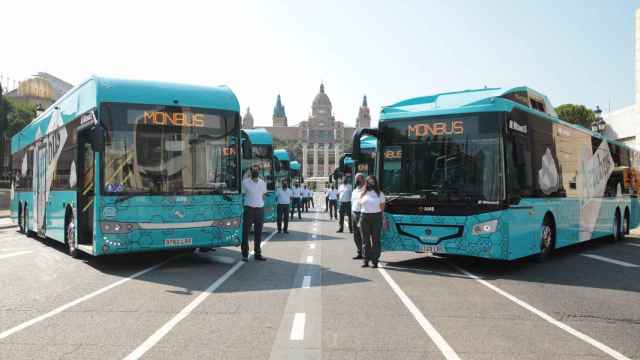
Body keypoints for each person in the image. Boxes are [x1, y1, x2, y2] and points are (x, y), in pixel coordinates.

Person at [241, 165, 267, 261]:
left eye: (257, 170)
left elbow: (263, 195)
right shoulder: (245, 182)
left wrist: (259, 203)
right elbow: (242, 195)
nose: (255, 171)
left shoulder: (263, 183)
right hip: (249, 209)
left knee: (258, 233)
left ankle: (258, 254)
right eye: (253, 170)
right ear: (250, 171)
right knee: (246, 233)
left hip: (260, 209)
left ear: (259, 171)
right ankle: (245, 254)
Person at [359, 175, 385, 268]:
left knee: (376, 240)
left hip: (376, 217)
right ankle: (366, 260)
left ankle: (375, 261)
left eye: (372, 182)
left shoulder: (380, 194)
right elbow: (360, 206)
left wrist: (384, 219)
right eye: (369, 182)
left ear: (375, 183)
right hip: (364, 217)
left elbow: (382, 209)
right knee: (365, 240)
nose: (371, 183)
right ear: (366, 183)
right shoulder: (363, 193)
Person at [351, 173, 366, 259]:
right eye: (356, 179)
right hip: (354, 213)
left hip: (362, 214)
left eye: (359, 179)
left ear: (363, 180)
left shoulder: (366, 190)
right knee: (356, 236)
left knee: (363, 236)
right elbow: (352, 202)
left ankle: (366, 254)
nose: (357, 180)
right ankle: (359, 252)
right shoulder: (354, 191)